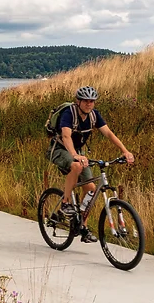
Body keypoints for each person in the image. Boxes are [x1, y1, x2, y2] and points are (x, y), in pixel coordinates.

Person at [47, 86, 134, 243]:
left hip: (78, 153)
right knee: (76, 166)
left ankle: (83, 227)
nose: (89, 104)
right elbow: (66, 136)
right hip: (59, 149)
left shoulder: (94, 115)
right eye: (86, 101)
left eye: (92, 101)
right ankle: (66, 202)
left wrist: (125, 151)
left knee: (91, 190)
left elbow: (109, 133)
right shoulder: (69, 114)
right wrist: (75, 155)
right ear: (78, 101)